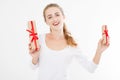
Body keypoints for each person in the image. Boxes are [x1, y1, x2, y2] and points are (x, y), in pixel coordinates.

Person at [28, 3, 110, 80]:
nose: (54, 19)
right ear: (46, 22)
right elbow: (32, 67)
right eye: (50, 17)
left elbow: (91, 68)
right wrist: (35, 57)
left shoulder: (72, 43)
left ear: (63, 16)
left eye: (57, 15)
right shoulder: (39, 39)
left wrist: (99, 51)